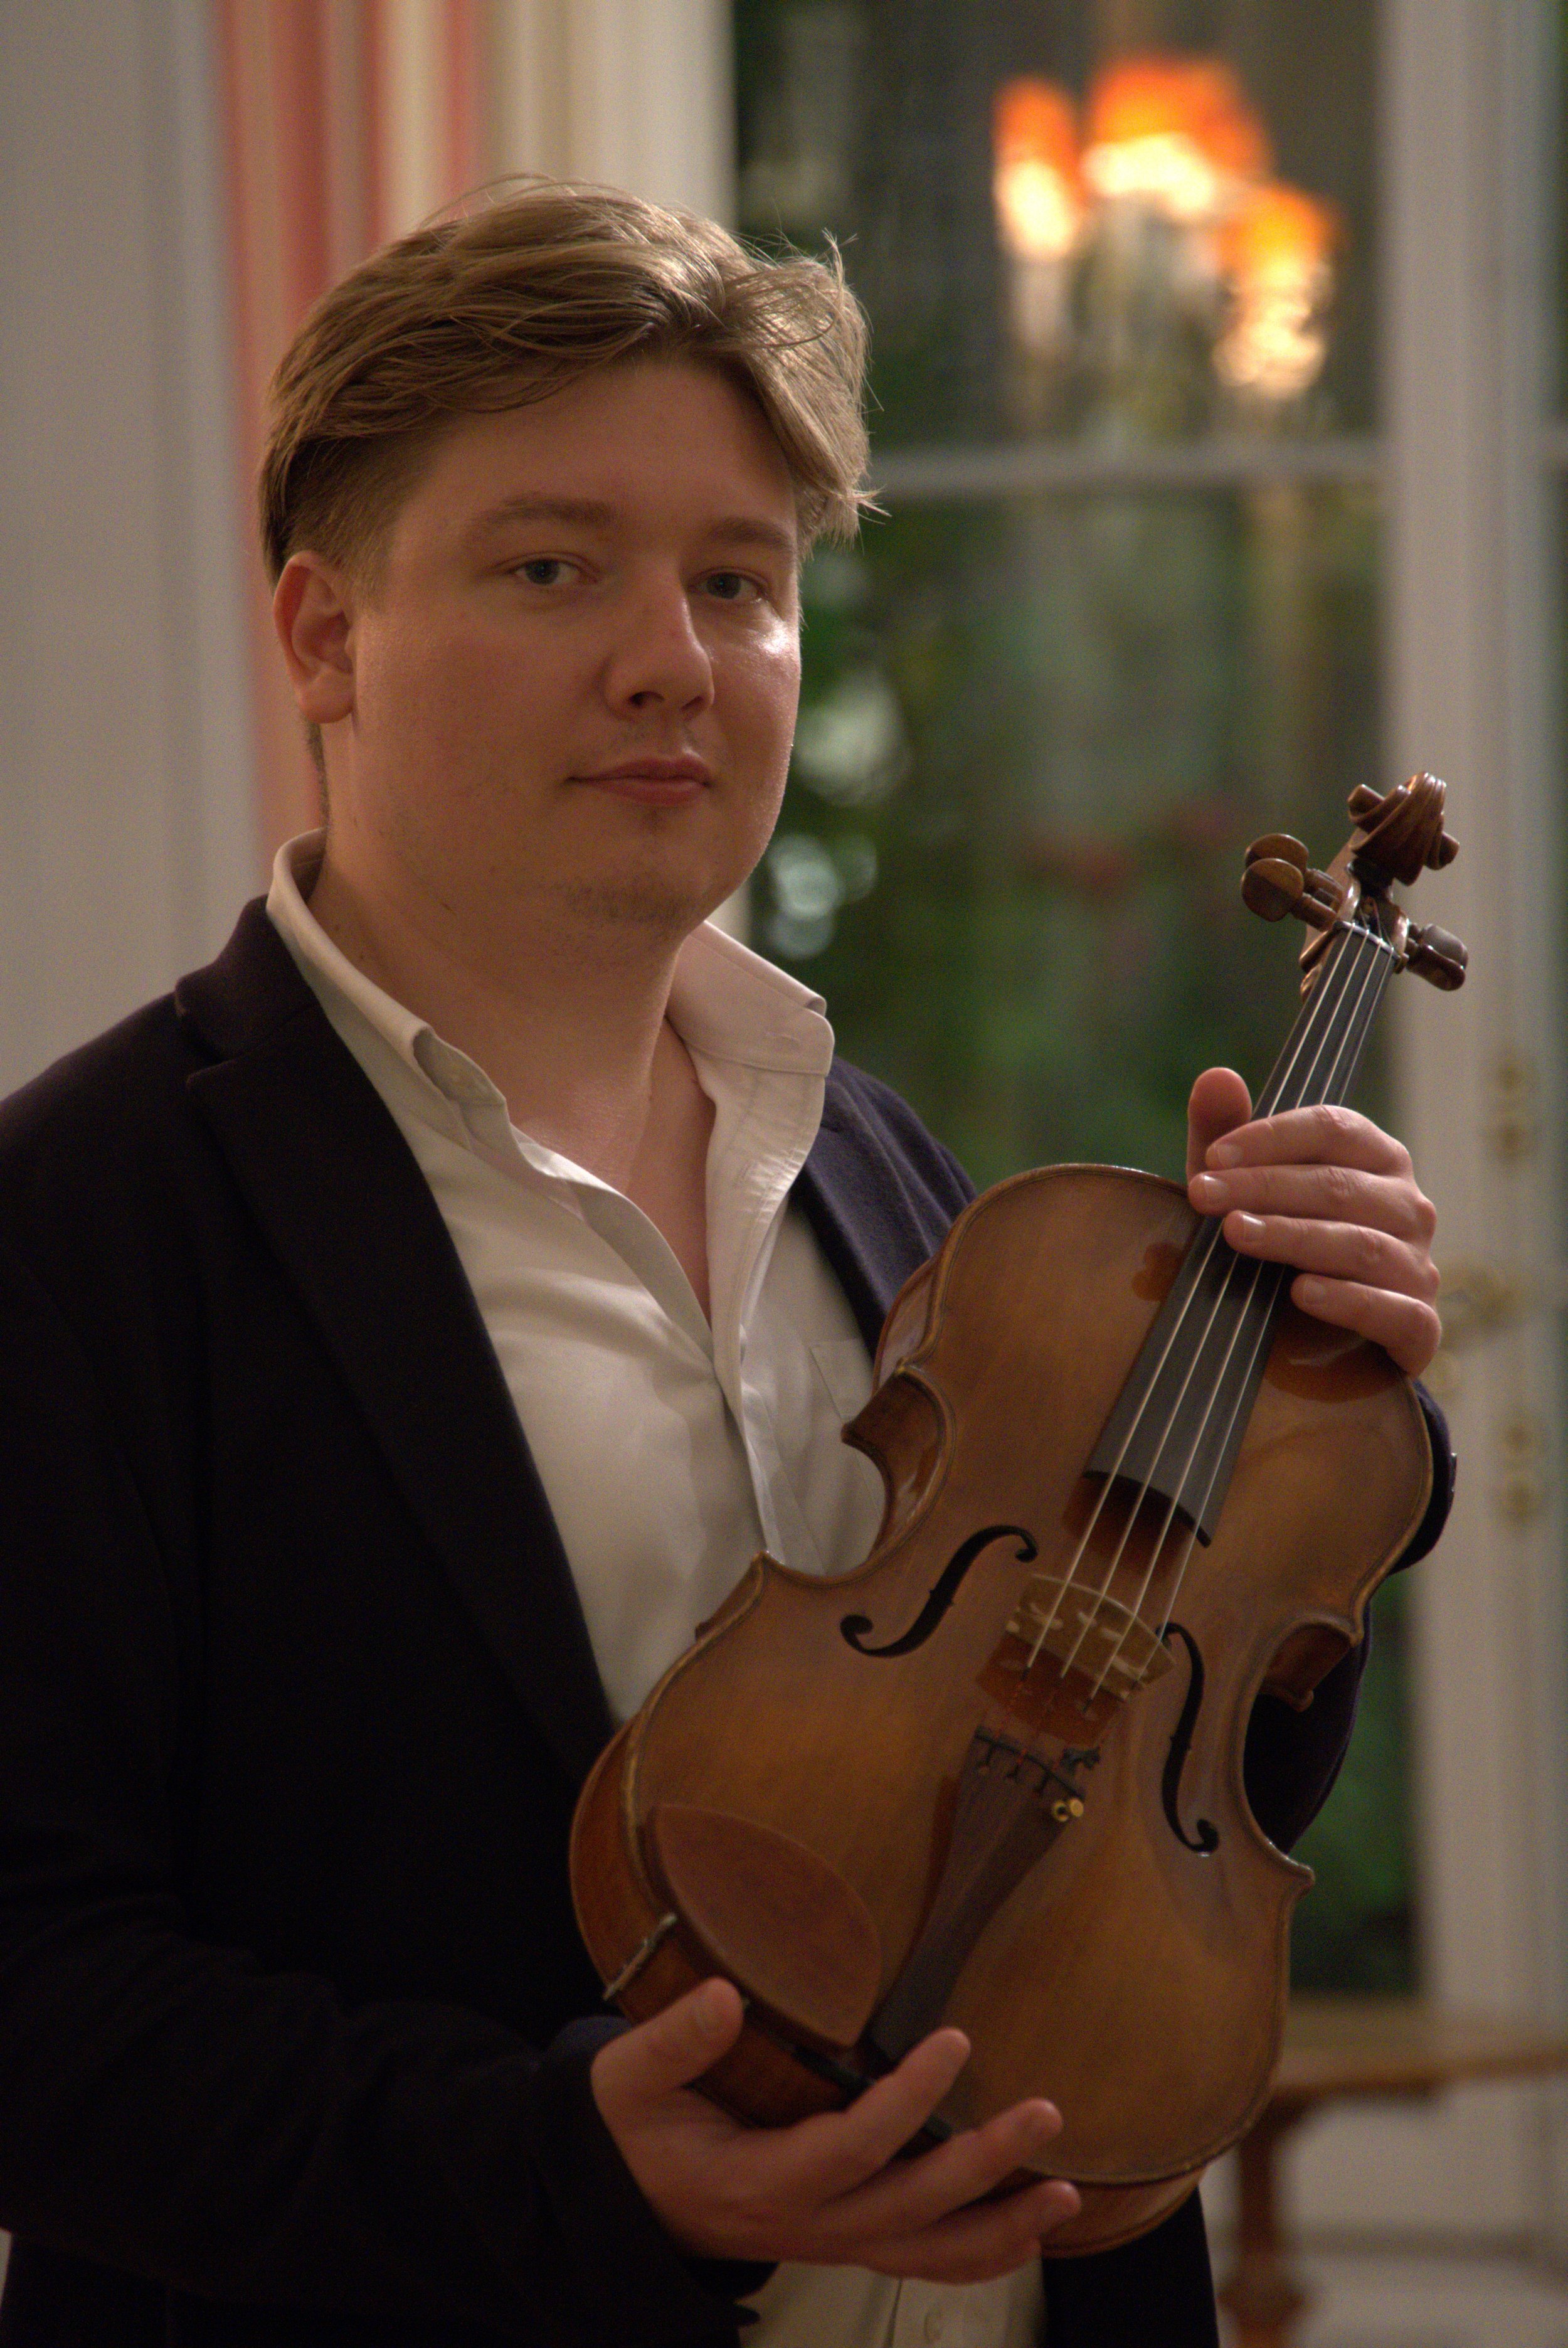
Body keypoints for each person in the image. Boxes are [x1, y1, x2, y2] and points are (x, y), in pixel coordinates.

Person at [0, 181, 1450, 2348]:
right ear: (323, 635)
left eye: (738, 583)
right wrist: (548, 2165)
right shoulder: (87, 1221)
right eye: (550, 564)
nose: (670, 659)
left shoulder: (895, 1176)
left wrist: (1269, 1476)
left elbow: (1111, 1797)